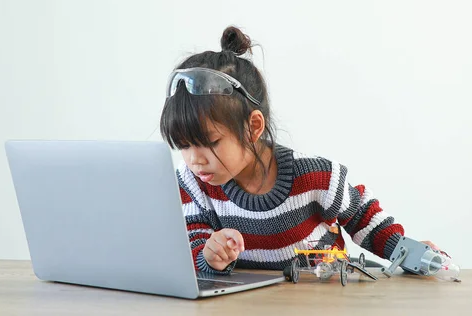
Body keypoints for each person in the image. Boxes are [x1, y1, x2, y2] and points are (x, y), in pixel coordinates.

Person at [160, 26, 441, 274]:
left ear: (253, 128)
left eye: (210, 143)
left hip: (322, 302)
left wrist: (410, 255)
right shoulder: (194, 184)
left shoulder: (316, 178)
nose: (194, 159)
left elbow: (364, 218)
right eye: (184, 145)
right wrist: (209, 255)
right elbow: (193, 240)